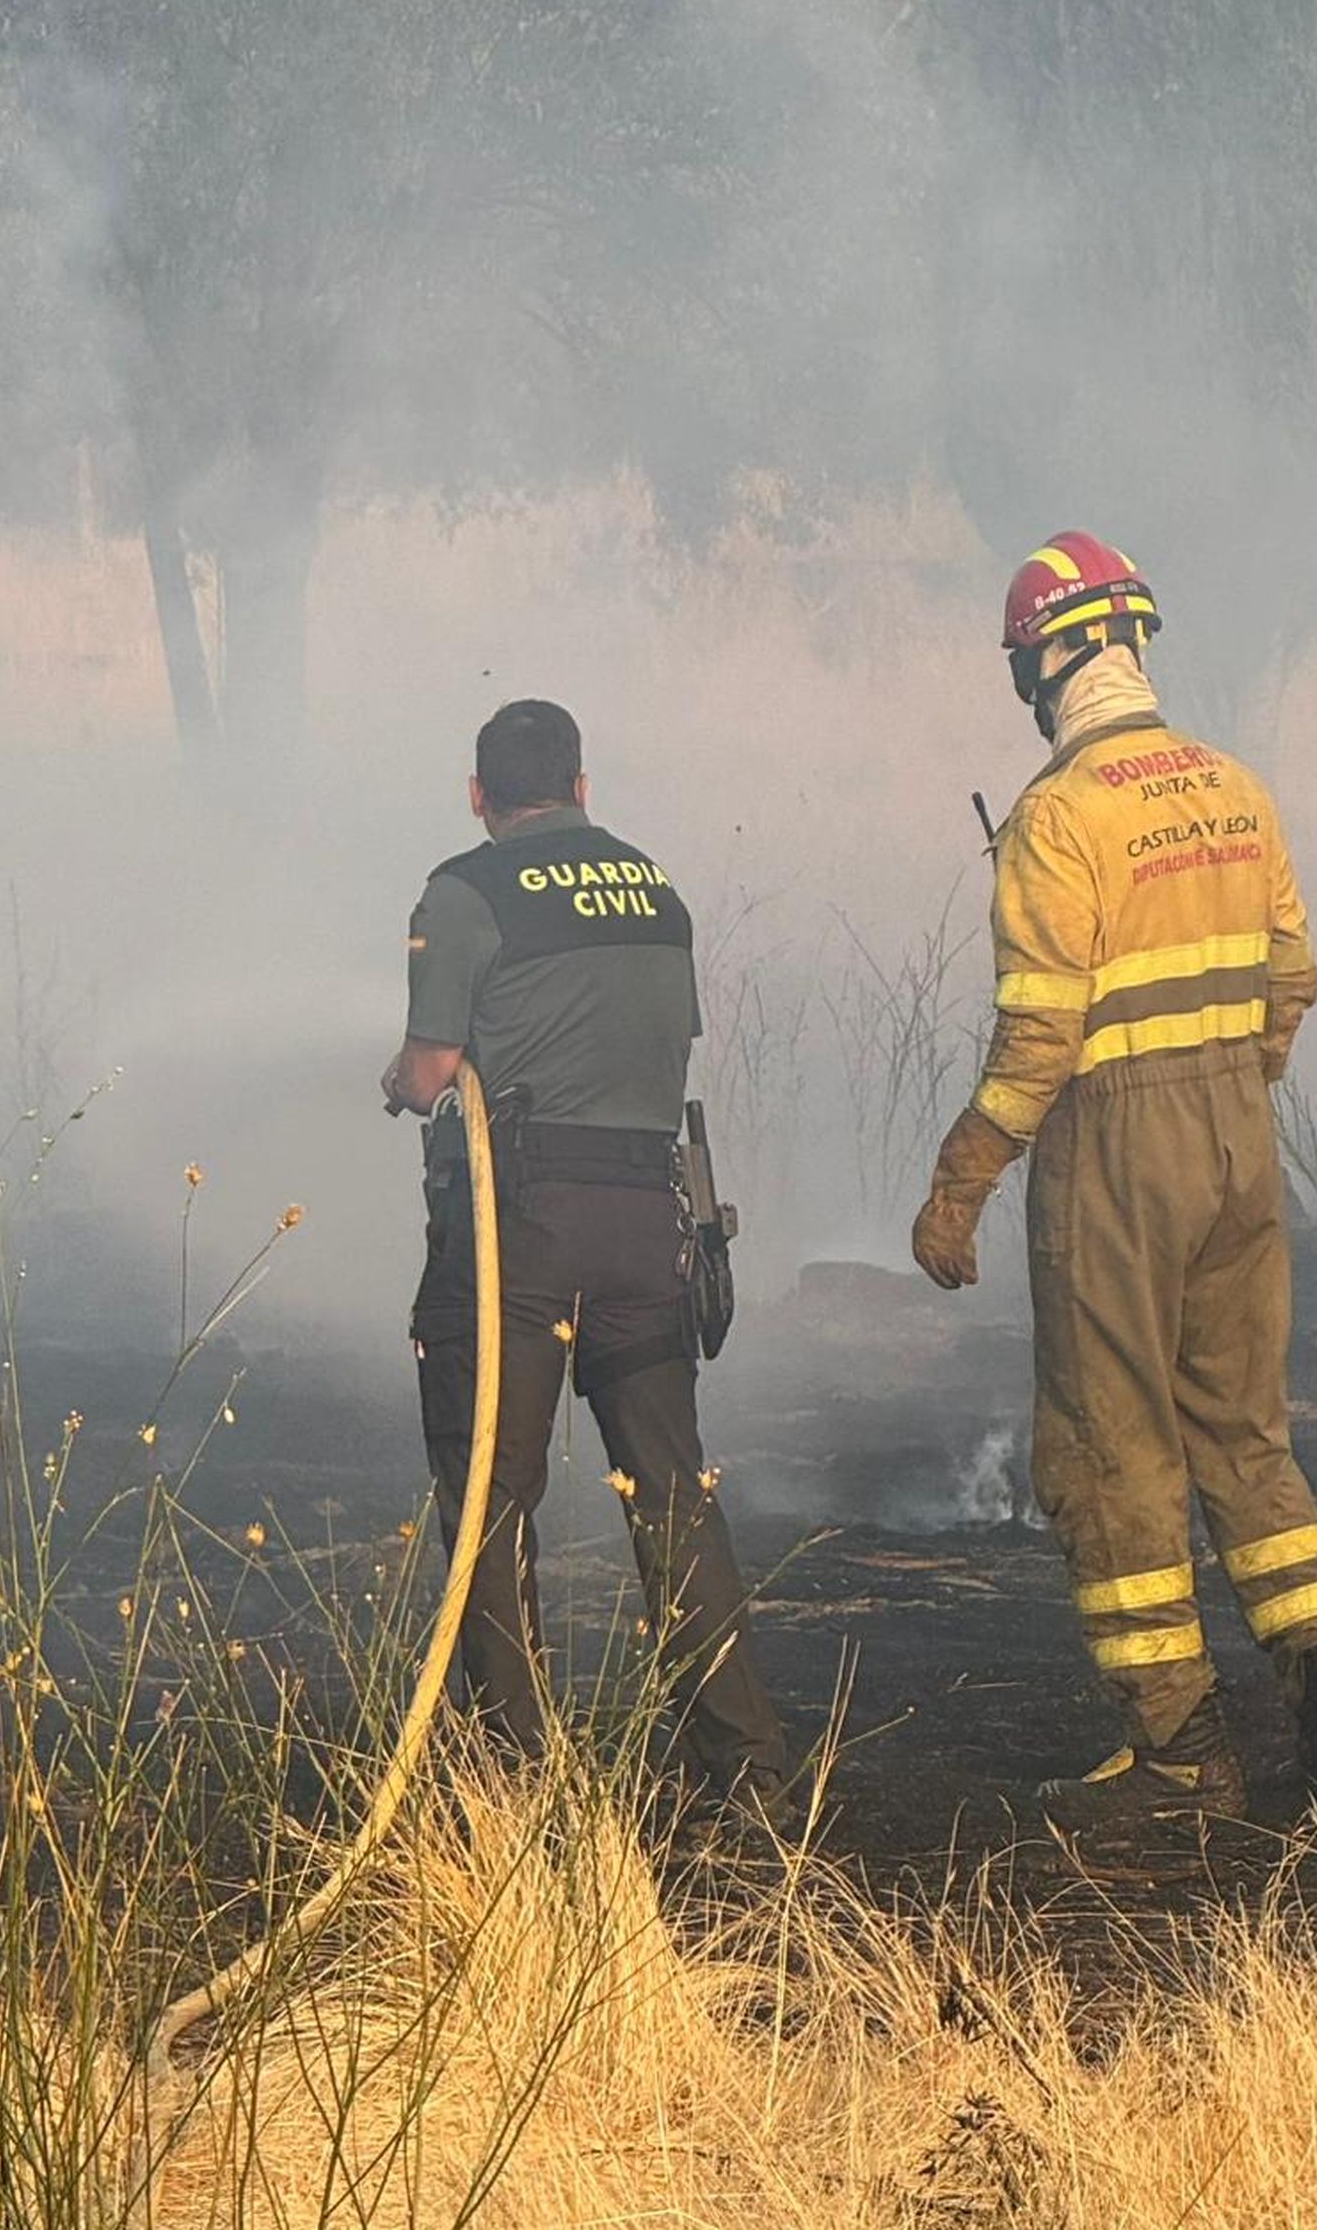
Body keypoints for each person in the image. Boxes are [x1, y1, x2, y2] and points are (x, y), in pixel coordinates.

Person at [912, 534, 1317, 1824]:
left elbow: (1039, 1038)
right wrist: (1238, 1084)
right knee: (1243, 1431)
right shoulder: (1234, 786)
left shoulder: (1060, 817)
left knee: (1107, 1454)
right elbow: (1293, 976)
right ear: (1133, 640)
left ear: (1041, 663)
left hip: (1115, 1156)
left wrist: (962, 1182)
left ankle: (1179, 1756)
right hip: (1239, 1136)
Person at [382, 697, 789, 1821]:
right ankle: (747, 1766)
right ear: (581, 787)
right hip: (648, 1226)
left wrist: (399, 1082)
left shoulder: (464, 890)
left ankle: (521, 1786)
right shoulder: (655, 890)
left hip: (520, 1228)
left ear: (479, 795)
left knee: (490, 1500)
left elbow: (432, 1068)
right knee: (671, 1493)